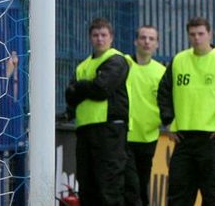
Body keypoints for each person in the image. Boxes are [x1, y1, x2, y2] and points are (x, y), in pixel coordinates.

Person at [157, 17, 215, 206]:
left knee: (214, 197)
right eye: (192, 34)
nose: (197, 38)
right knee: (178, 197)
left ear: (210, 34)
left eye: (201, 34)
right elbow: (164, 92)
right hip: (184, 139)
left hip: (214, 139)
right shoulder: (179, 60)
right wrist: (168, 121)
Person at [65, 17, 129, 205]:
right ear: (90, 38)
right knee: (86, 184)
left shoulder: (116, 60)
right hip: (85, 129)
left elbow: (102, 89)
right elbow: (70, 96)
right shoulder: (82, 66)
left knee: (108, 185)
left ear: (111, 38)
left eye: (103, 35)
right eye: (95, 35)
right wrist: (88, 86)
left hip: (109, 130)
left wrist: (82, 86)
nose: (99, 39)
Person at [124, 25, 166, 206]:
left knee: (141, 183)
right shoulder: (124, 64)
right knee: (130, 185)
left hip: (149, 135)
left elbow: (166, 102)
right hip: (124, 134)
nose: (146, 42)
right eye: (143, 38)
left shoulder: (161, 71)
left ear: (157, 44)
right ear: (135, 41)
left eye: (151, 39)